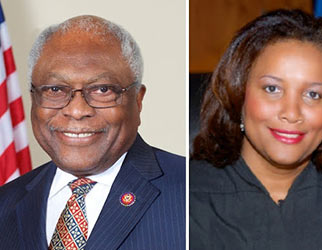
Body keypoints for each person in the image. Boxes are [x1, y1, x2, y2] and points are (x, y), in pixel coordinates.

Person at [190, 9, 322, 250]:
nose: (291, 113)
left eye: (313, 94)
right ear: (238, 93)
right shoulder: (180, 198)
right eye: (272, 89)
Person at [0, 15, 185, 250]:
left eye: (102, 89)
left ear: (137, 101)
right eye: (55, 89)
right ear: (33, 100)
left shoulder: (190, 194)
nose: (77, 111)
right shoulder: (5, 203)